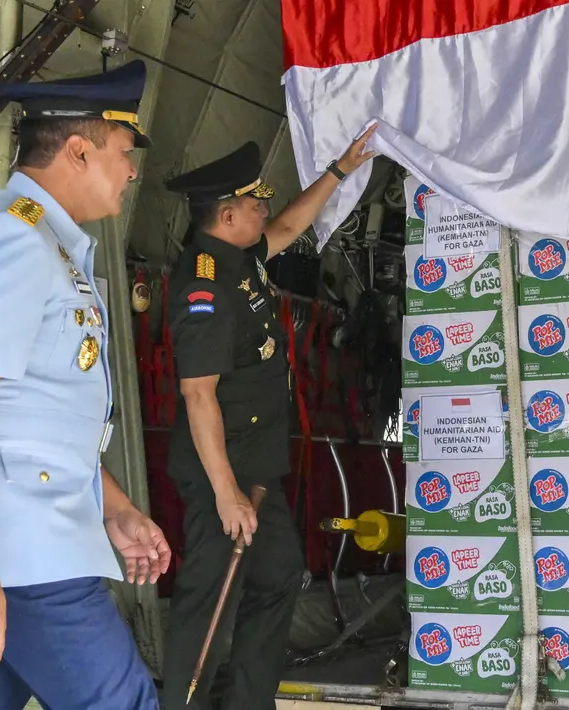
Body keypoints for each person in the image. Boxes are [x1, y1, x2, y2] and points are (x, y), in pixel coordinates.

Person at [0, 59, 173, 708]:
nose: (132, 171)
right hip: (21, 548)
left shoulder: (49, 245)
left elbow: (35, 419)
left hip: (18, 540)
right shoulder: (11, 238)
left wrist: (115, 507)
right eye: (124, 152)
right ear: (79, 150)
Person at [159, 128, 376, 709]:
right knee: (212, 600)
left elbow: (287, 228)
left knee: (279, 573)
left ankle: (248, 702)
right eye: (255, 204)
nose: (264, 213)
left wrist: (338, 169)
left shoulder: (239, 255)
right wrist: (226, 493)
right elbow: (199, 396)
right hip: (221, 474)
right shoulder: (203, 283)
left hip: (257, 466)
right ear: (227, 214)